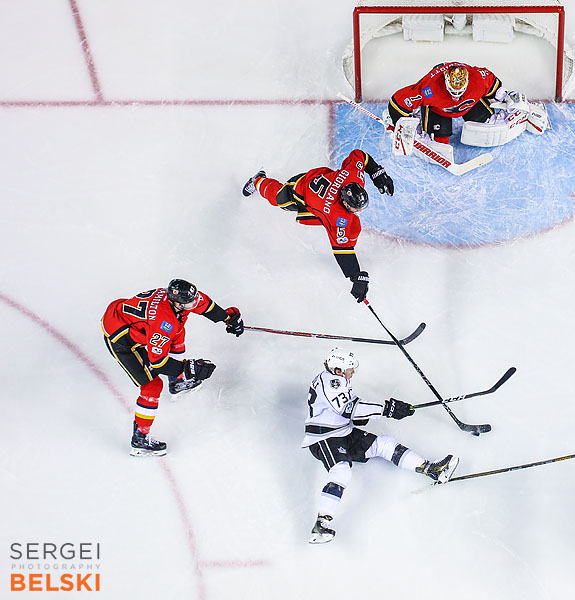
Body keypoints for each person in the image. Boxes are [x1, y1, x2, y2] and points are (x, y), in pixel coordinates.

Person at [302, 347, 460, 544]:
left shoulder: (336, 379)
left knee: (385, 444)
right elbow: (350, 408)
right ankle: (321, 524)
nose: (353, 372)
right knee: (341, 470)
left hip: (343, 432)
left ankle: (432, 470)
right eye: (349, 368)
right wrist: (388, 408)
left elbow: (348, 407)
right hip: (324, 437)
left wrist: (365, 415)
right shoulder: (332, 381)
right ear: (338, 370)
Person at [101, 279, 244, 456]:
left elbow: (205, 305)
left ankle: (177, 384)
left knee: (178, 331)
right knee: (152, 386)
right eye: (189, 303)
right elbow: (158, 363)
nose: (194, 304)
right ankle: (140, 439)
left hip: (132, 320)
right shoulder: (163, 324)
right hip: (120, 337)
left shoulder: (181, 301)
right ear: (176, 303)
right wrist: (189, 369)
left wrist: (228, 318)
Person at [241, 149, 394, 303]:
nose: (359, 210)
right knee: (278, 199)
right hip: (299, 192)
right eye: (356, 208)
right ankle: (258, 180)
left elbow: (360, 156)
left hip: (316, 181)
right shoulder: (336, 215)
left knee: (344, 225)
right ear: (345, 203)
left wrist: (376, 171)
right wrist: (354, 276)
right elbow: (342, 250)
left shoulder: (352, 176)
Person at [385, 61, 549, 149]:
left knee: (486, 123)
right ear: (446, 83)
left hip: (470, 104)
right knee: (439, 142)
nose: (456, 97)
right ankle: (422, 118)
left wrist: (507, 96)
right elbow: (398, 102)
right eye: (452, 91)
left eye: (459, 92)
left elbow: (494, 86)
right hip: (439, 110)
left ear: (467, 83)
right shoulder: (429, 88)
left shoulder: (478, 78)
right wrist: (400, 123)